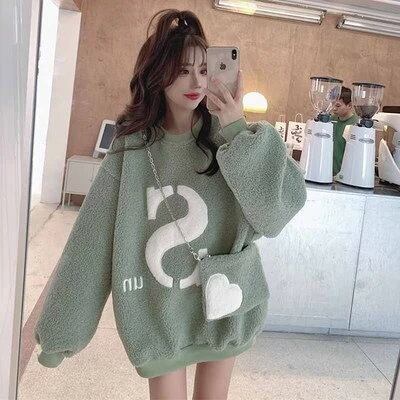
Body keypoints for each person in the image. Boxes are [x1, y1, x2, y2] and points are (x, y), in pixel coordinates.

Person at [34, 8, 307, 400]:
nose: (196, 82)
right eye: (182, 70)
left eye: (203, 70)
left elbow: (279, 209)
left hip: (226, 302)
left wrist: (235, 127)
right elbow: (91, 241)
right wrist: (62, 330)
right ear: (157, 74)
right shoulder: (132, 148)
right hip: (157, 309)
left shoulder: (233, 138)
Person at [331, 86, 359, 176]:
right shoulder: (331, 120)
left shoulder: (356, 125)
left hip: (345, 175)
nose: (333, 108)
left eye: (338, 105)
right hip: (328, 173)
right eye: (332, 104)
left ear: (349, 105)